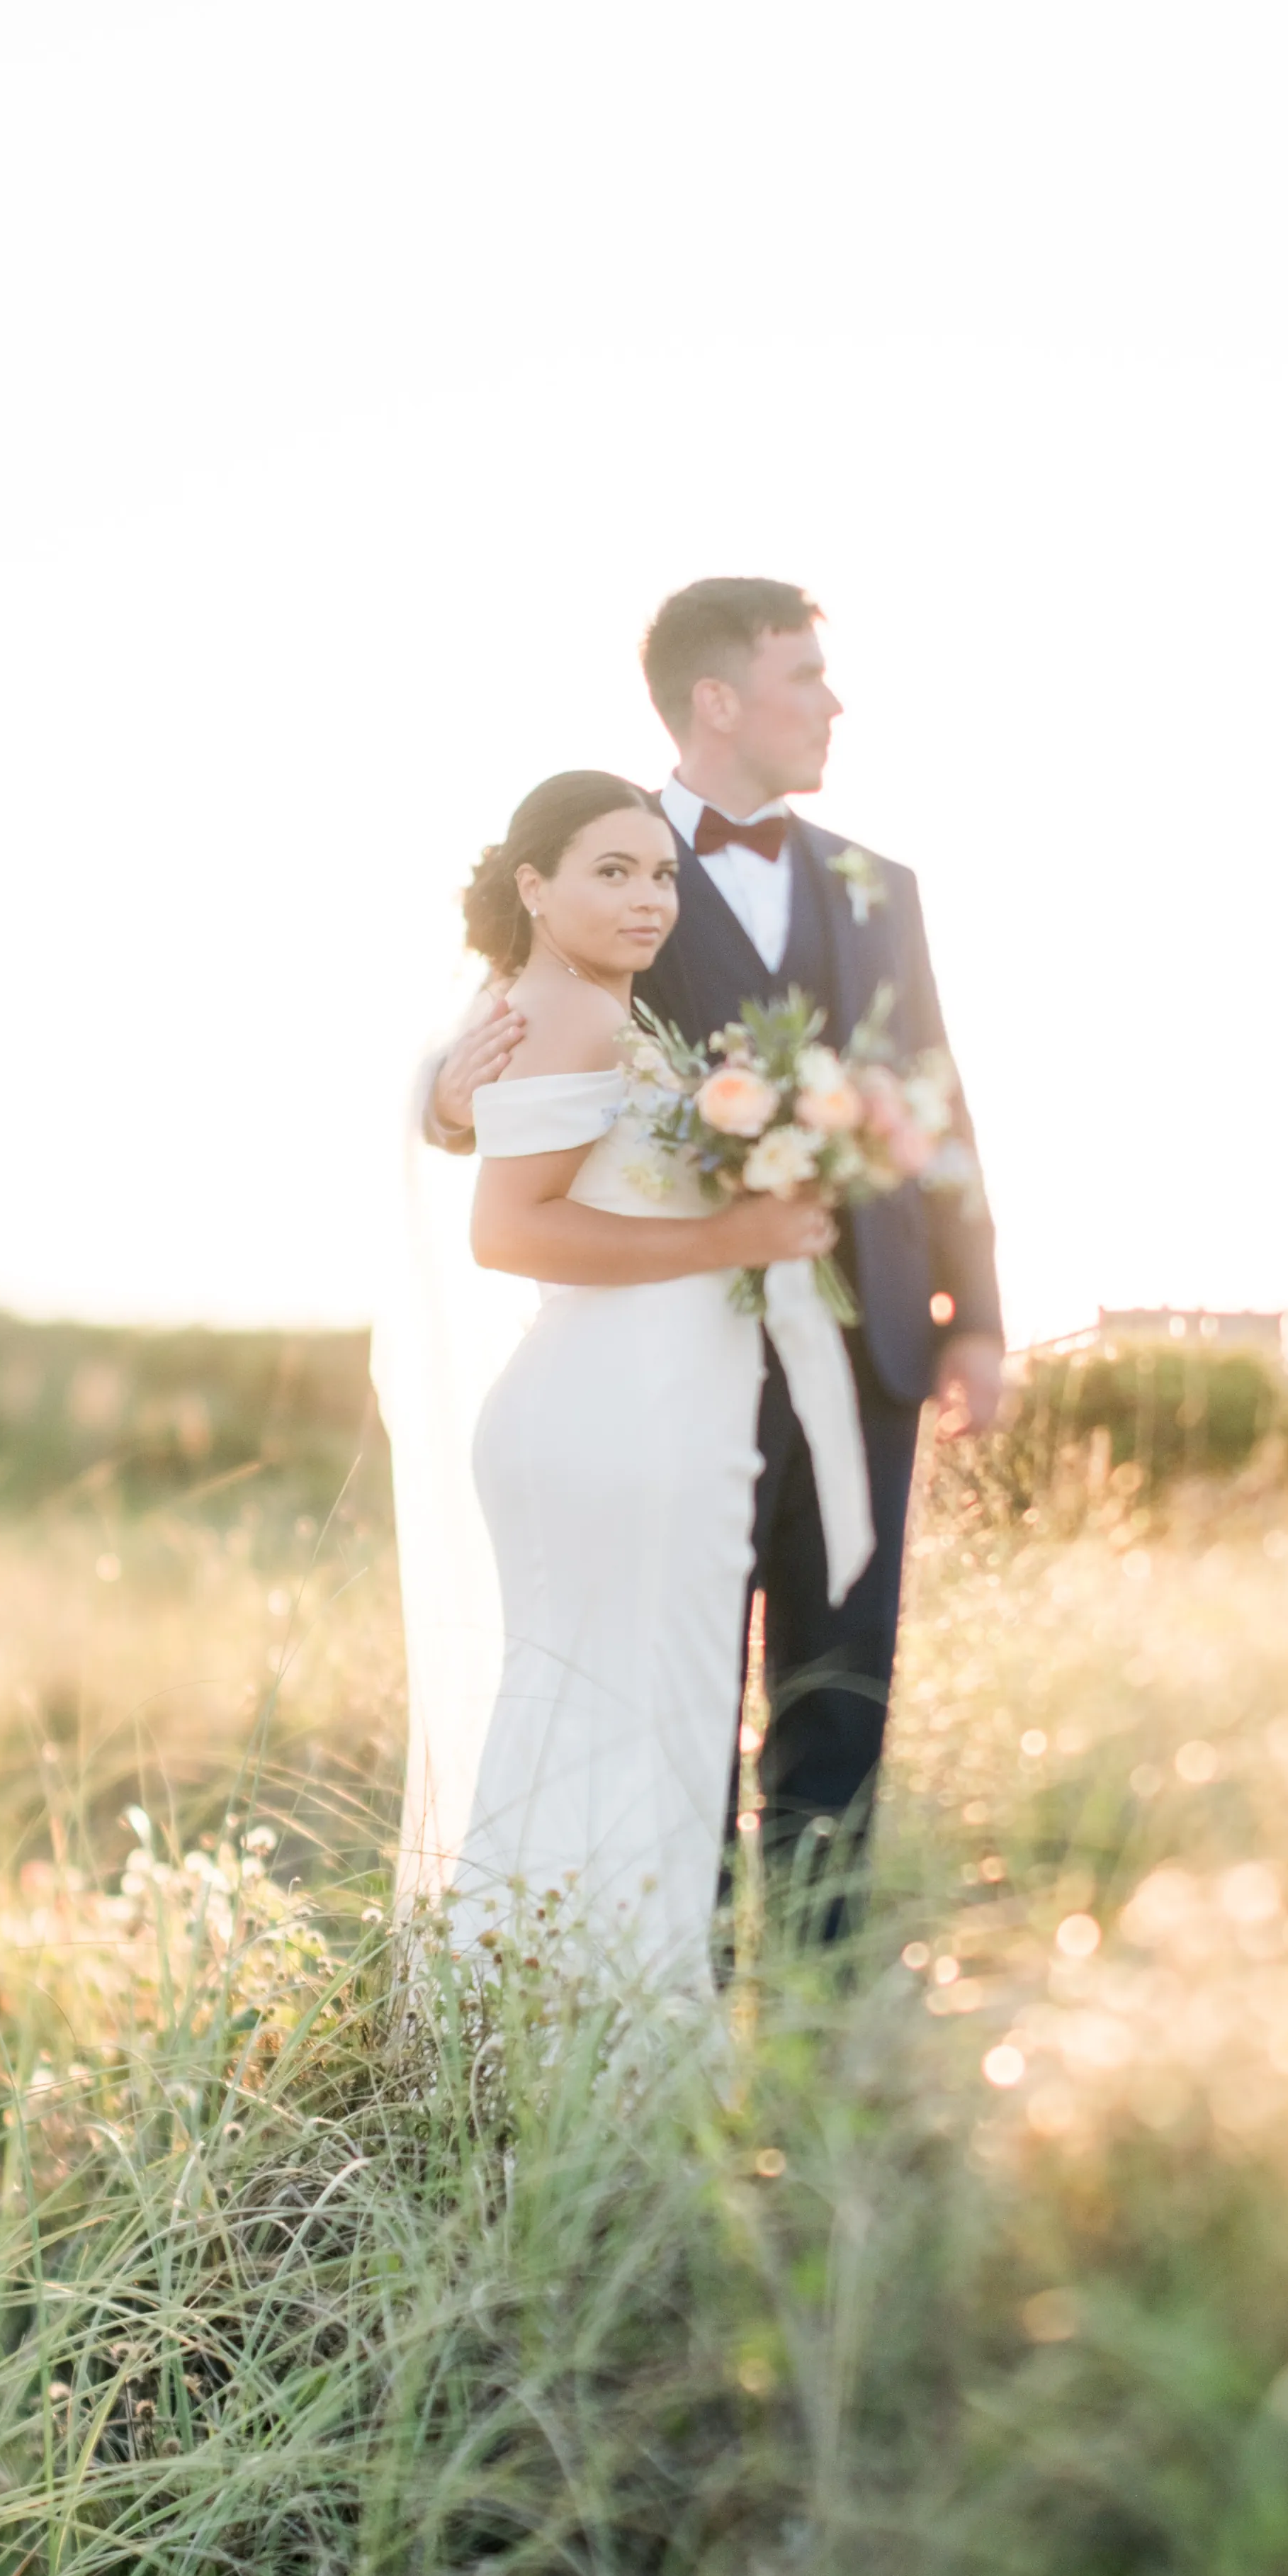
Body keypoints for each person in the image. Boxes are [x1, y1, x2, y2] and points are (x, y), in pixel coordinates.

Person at [424, 583, 1003, 1945]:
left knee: (843, 1672)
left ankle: (816, 1985)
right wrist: (444, 1102)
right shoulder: (591, 861)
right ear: (718, 700)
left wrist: (973, 1315)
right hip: (675, 1358)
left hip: (863, 1345)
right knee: (668, 1675)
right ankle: (670, 1962)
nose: (835, 703)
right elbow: (485, 1065)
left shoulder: (879, 886)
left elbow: (935, 1098)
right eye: (807, 676)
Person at [392, 767, 874, 1986]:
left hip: (649, 1412)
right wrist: (732, 1238)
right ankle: (566, 2048)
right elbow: (507, 1231)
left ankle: (571, 2049)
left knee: (628, 1730)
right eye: (614, 874)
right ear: (535, 888)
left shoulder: (592, 1006)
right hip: (610, 1419)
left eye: (662, 874)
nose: (651, 899)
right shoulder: (571, 1012)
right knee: (611, 1727)